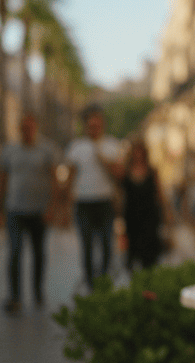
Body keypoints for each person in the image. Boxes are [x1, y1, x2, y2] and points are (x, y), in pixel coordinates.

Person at [0, 113, 59, 313]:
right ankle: (15, 296)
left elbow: (54, 180)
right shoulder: (9, 150)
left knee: (39, 253)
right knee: (14, 253)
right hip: (15, 210)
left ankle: (38, 290)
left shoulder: (47, 149)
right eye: (24, 127)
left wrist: (52, 207)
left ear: (36, 128)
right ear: (19, 128)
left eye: (30, 127)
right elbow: (2, 181)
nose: (27, 131)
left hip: (39, 211)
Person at [64, 105, 124, 289]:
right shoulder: (76, 147)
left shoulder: (112, 145)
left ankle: (104, 280)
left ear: (103, 125)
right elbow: (70, 177)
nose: (94, 129)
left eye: (97, 125)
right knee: (87, 246)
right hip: (83, 203)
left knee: (107, 244)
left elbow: (120, 175)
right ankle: (90, 283)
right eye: (91, 126)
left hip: (105, 202)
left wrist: (103, 157)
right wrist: (63, 206)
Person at [120, 139, 167, 272]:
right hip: (132, 218)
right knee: (132, 256)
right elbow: (120, 196)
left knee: (150, 256)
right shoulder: (126, 172)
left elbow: (159, 194)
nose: (138, 155)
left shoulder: (152, 171)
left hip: (150, 217)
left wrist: (167, 215)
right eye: (135, 152)